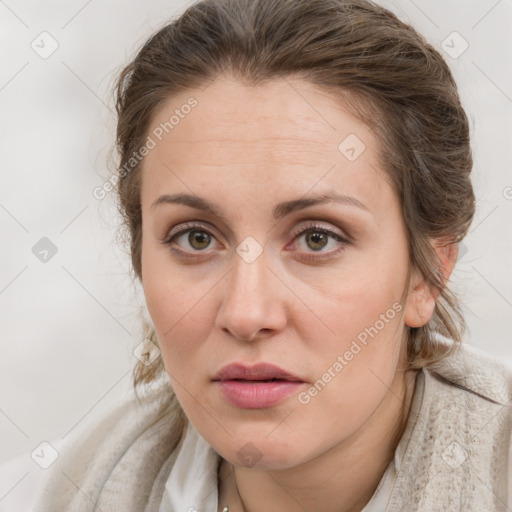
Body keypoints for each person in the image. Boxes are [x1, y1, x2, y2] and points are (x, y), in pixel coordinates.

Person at [33, 0, 512, 510]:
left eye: (317, 239)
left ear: (427, 275)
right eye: (196, 238)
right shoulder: (67, 486)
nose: (246, 313)